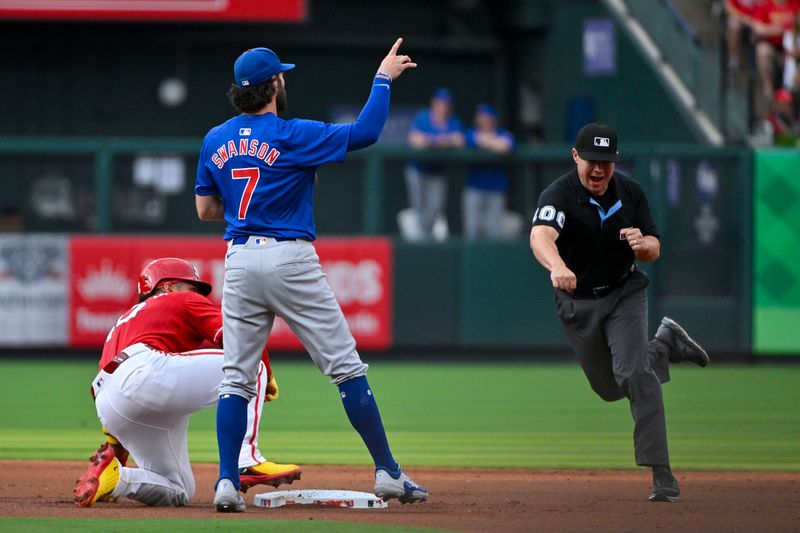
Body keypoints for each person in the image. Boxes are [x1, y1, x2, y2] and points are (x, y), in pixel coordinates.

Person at [194, 39, 427, 513]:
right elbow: (365, 133)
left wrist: (251, 206)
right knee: (345, 368)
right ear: (274, 84)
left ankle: (224, 481)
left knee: (236, 379)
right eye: (281, 75)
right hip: (289, 258)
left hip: (239, 259)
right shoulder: (291, 133)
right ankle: (387, 471)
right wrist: (382, 78)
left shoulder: (215, 138)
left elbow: (205, 208)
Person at [529, 123, 710, 503]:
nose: (599, 170)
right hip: (578, 302)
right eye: (592, 160)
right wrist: (557, 266)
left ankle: (662, 474)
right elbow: (540, 235)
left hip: (624, 292)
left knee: (633, 374)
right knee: (610, 388)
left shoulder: (631, 193)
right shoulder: (559, 194)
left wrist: (644, 245)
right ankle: (665, 344)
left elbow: (654, 247)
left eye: (607, 162)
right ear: (576, 157)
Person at [73, 258, 301, 508]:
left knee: (179, 490)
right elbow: (239, 338)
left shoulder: (123, 322)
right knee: (248, 363)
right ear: (169, 287)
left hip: (107, 403)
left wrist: (116, 449)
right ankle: (245, 459)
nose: (196, 294)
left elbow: (120, 391)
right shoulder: (180, 299)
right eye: (190, 286)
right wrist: (265, 371)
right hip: (145, 371)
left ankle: (117, 479)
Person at [404, 87, 466, 241]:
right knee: (418, 209)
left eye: (445, 104)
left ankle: (426, 239)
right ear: (433, 103)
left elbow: (459, 140)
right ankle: (420, 240)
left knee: (435, 209)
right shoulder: (423, 117)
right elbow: (415, 141)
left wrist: (431, 140)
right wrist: (440, 140)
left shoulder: (452, 121)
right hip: (418, 170)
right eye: (439, 103)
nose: (442, 107)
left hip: (437, 172)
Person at [462, 103, 515, 239]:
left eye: (488, 118)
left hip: (496, 190)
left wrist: (485, 143)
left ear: (493, 120)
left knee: (494, 233)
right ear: (477, 119)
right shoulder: (470, 133)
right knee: (472, 232)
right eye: (482, 118)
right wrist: (492, 143)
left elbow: (506, 145)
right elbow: (471, 139)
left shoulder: (503, 134)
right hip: (474, 189)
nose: (485, 121)